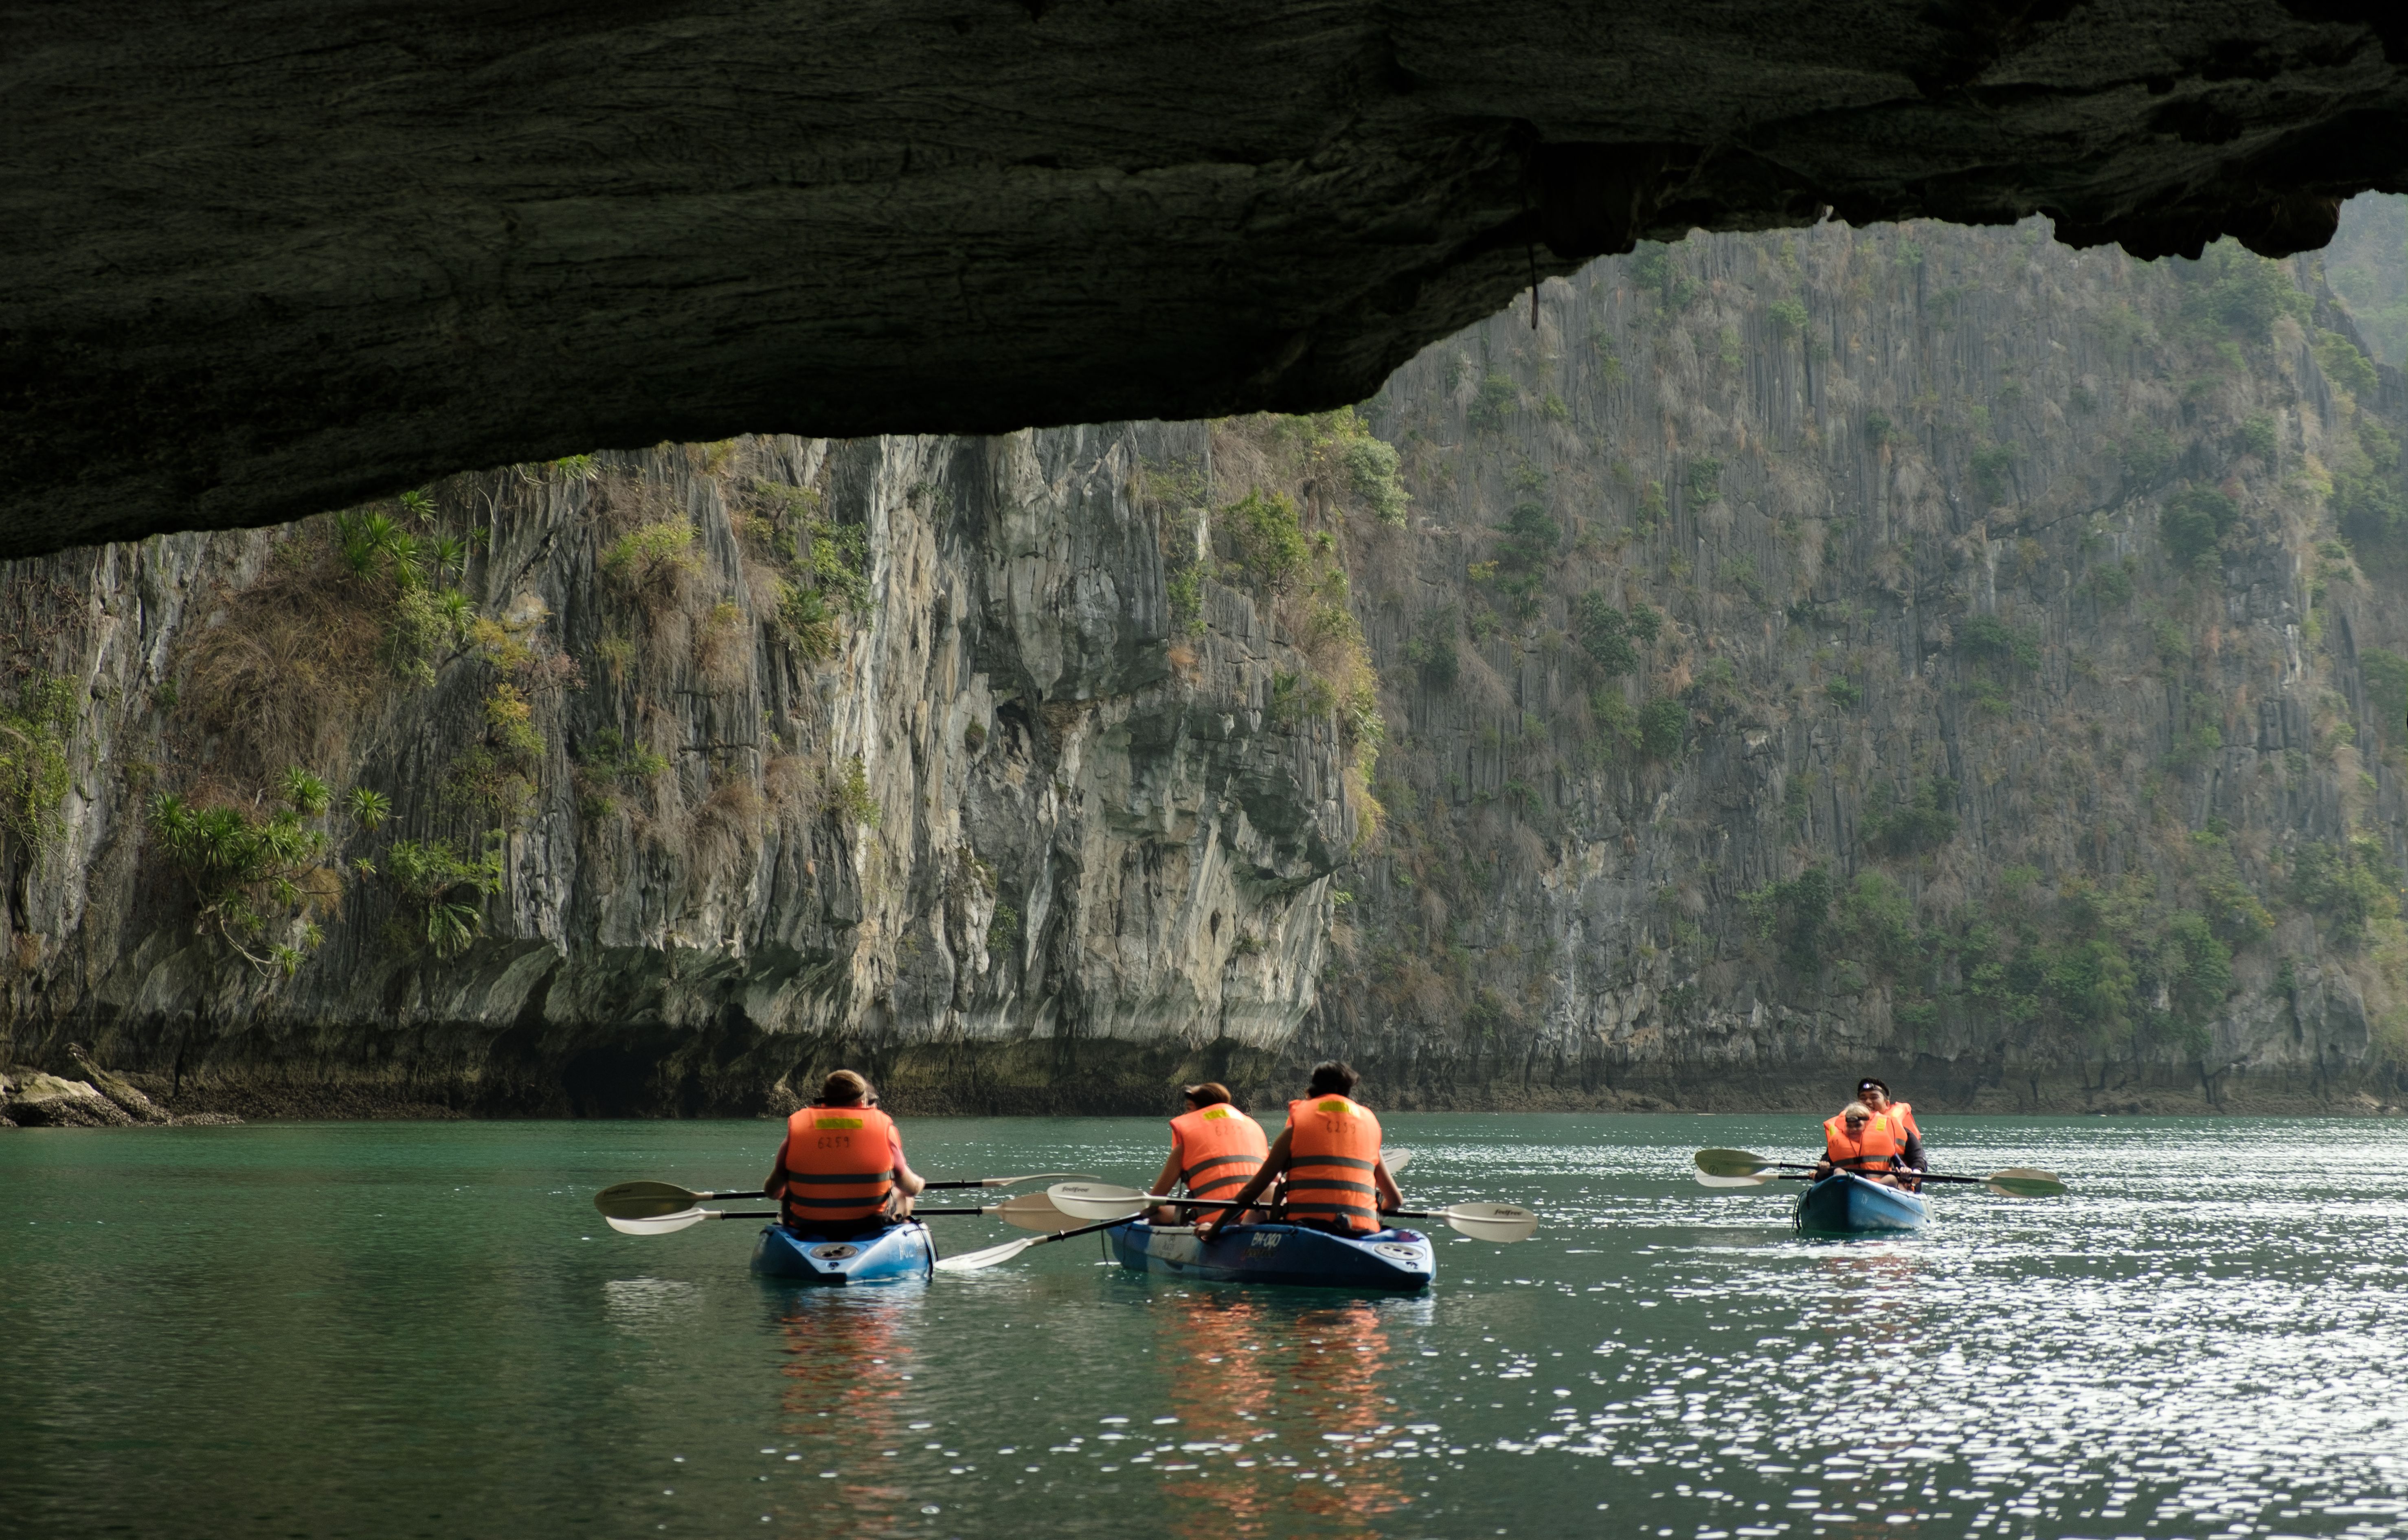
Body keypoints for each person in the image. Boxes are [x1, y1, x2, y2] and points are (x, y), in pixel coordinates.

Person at [1197, 1062, 1402, 1236]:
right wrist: (1374, 1216)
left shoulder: (1295, 1131)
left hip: (1306, 1230)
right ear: (1348, 1092)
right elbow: (1394, 1201)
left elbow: (1253, 1190)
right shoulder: (1369, 1131)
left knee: (1267, 1193)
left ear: (1311, 1090)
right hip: (1361, 1232)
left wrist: (1214, 1229)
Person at [763, 1070, 926, 1237]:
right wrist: (920, 1183)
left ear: (824, 1102)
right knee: (904, 1196)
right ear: (863, 1102)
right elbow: (910, 1188)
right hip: (870, 1224)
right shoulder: (885, 1130)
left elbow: (772, 1191)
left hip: (807, 1224)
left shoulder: (798, 1130)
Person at [1146, 1082, 1269, 1224]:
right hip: (1255, 1217)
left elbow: (1157, 1197)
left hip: (1213, 1224)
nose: (1186, 1114)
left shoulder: (1188, 1139)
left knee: (1156, 1212)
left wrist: (1145, 1212)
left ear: (1195, 1109)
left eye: (1188, 1108)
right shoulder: (1254, 1130)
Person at [1813, 1100, 1902, 1186]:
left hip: (1877, 1187)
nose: (1853, 1130)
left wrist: (1905, 1173)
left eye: (1858, 1126)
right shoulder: (1837, 1145)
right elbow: (1820, 1178)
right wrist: (1823, 1170)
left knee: (1892, 1178)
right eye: (1849, 1126)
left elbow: (1901, 1168)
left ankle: (1869, 1191)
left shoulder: (1884, 1143)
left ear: (1867, 1125)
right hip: (1849, 1186)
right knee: (1838, 1171)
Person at [1855, 1077, 1927, 1173]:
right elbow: (1830, 1158)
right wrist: (1827, 1164)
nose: (1868, 1102)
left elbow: (1918, 1159)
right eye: (1863, 1098)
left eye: (1874, 1097)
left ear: (1887, 1104)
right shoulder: (1848, 1129)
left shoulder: (1903, 1131)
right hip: (1853, 1179)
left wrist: (1916, 1171)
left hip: (1892, 1180)